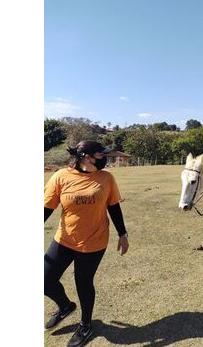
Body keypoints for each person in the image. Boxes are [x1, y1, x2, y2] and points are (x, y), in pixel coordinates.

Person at [44, 140, 129, 347]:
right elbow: (46, 209)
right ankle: (65, 306)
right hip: (64, 239)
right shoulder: (61, 177)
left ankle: (85, 324)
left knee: (83, 283)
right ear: (85, 157)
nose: (104, 159)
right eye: (101, 156)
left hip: (94, 241)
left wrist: (122, 233)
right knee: (43, 279)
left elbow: (114, 206)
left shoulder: (107, 178)